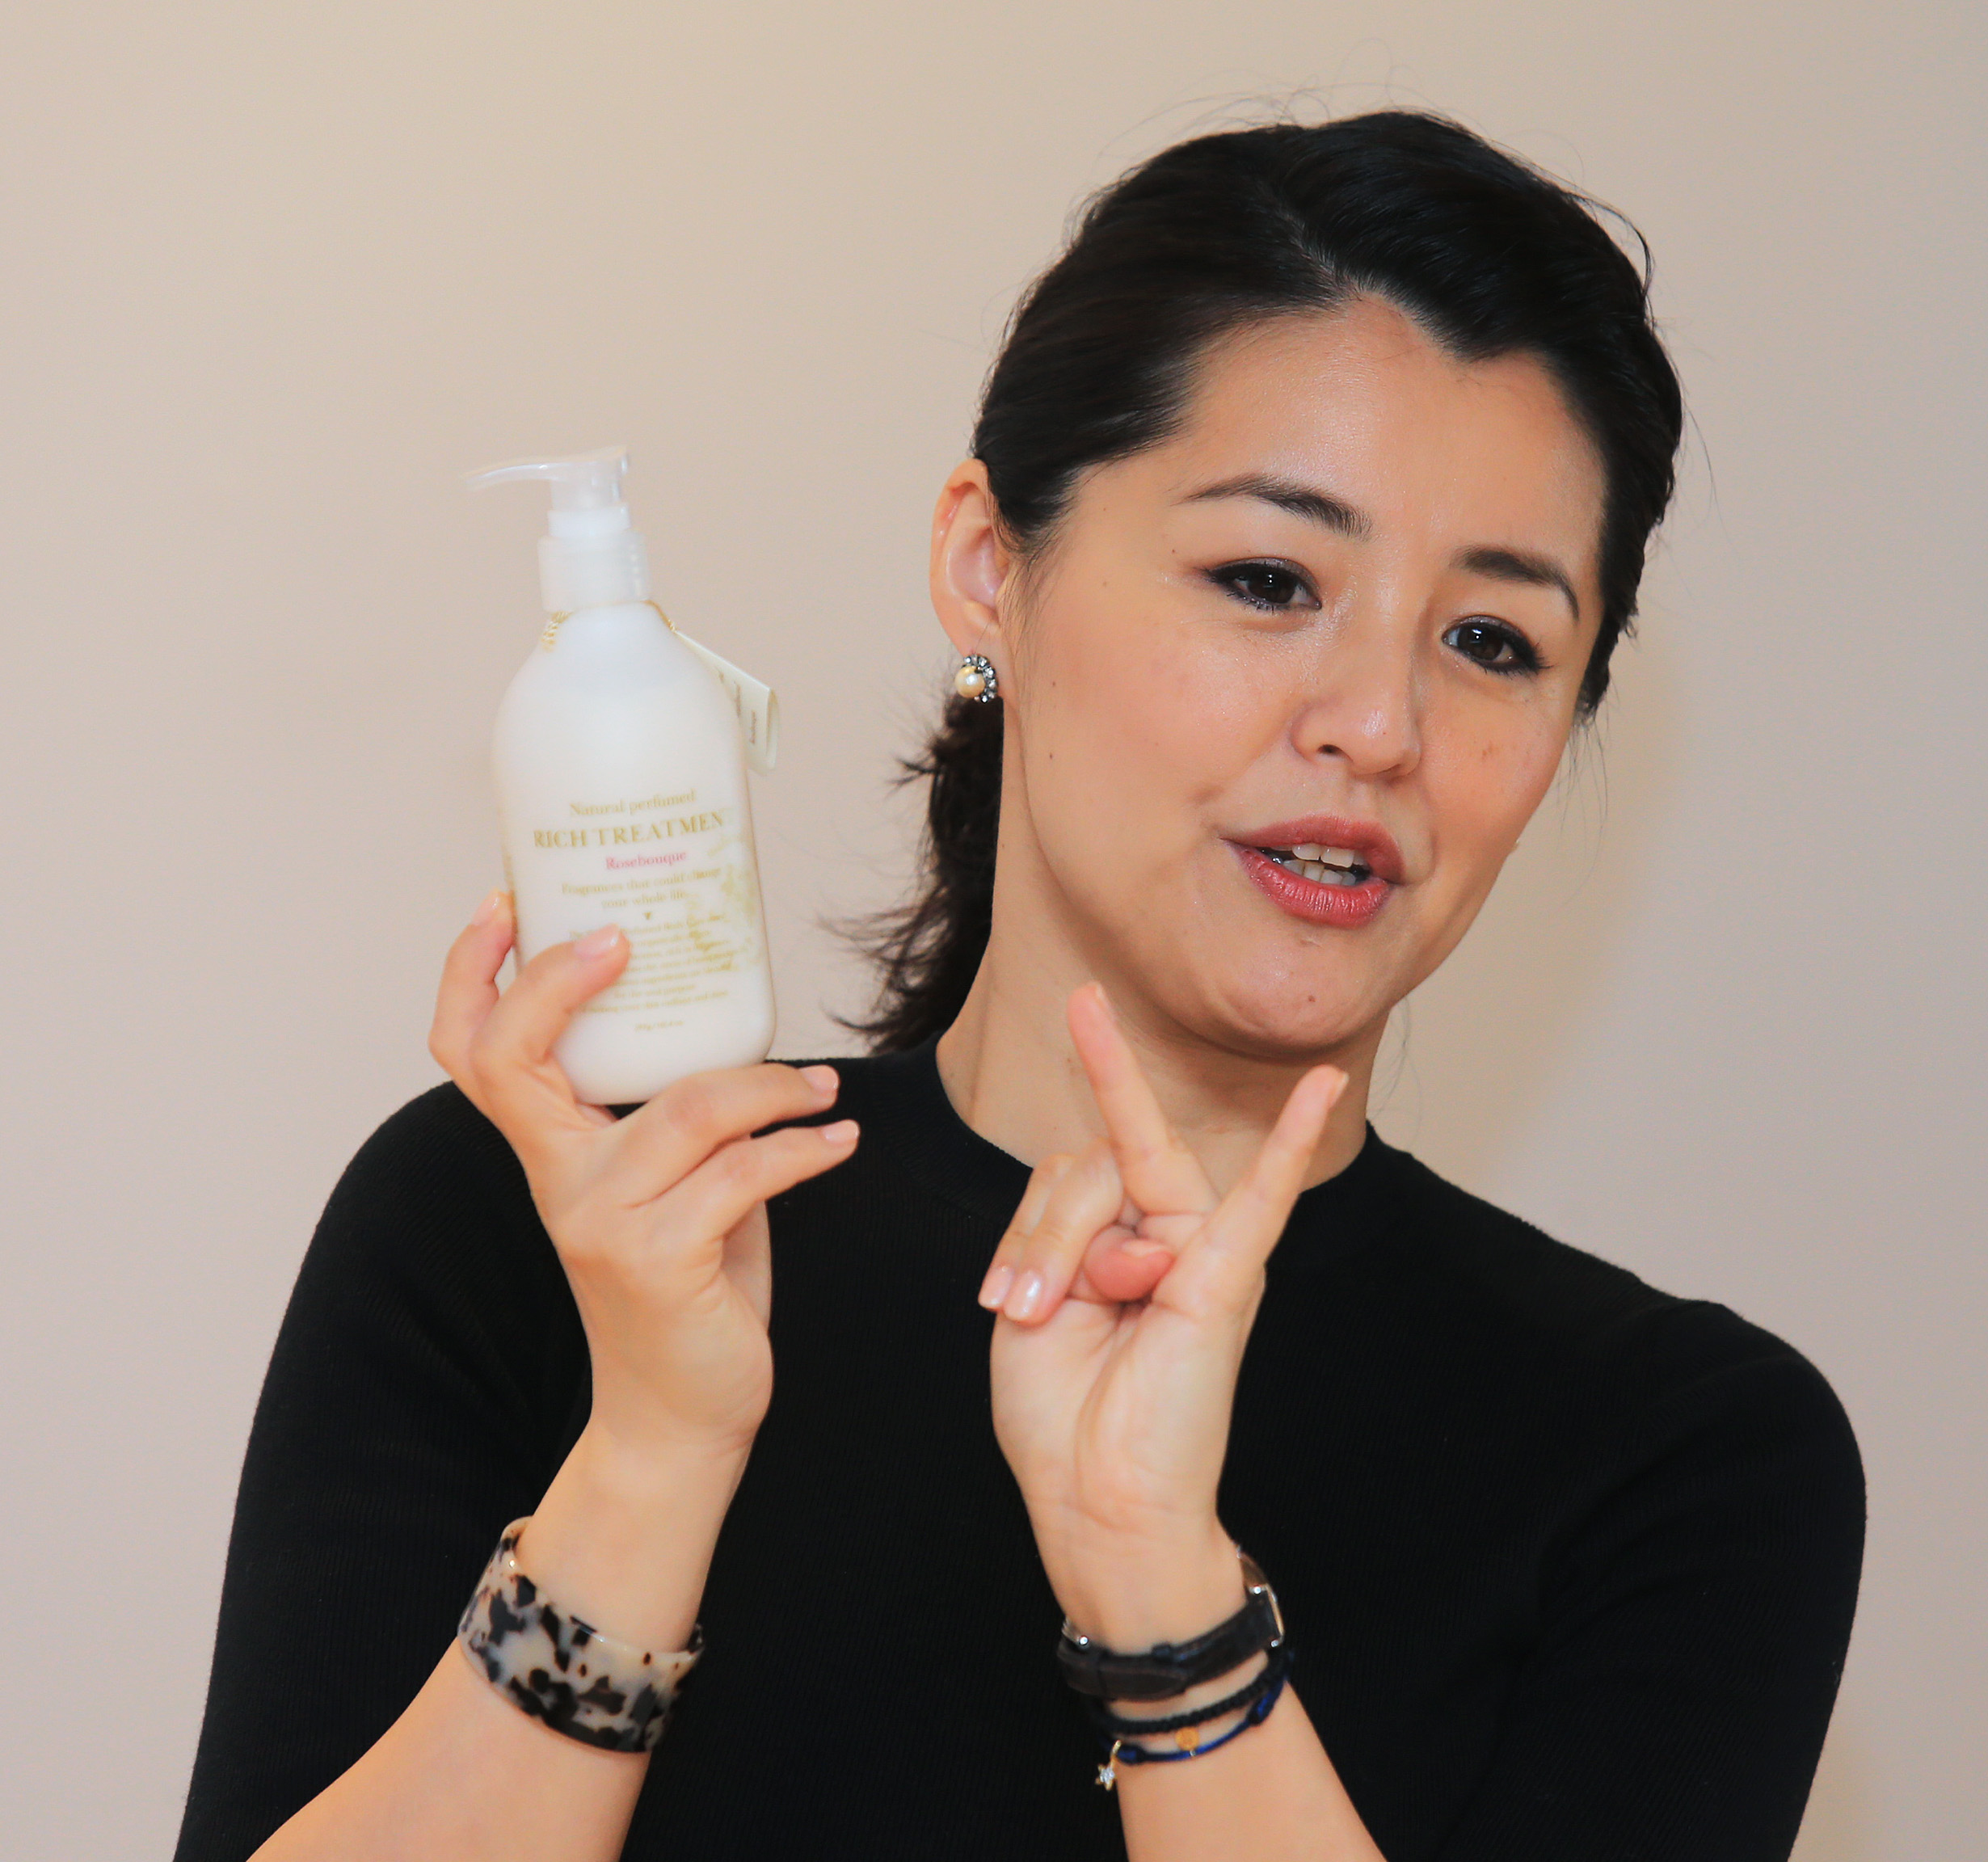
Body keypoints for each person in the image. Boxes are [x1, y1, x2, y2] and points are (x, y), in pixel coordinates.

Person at [175, 109, 1864, 1862]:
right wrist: (653, 1461)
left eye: (1492, 640)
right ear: (991, 567)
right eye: (1269, 579)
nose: (1380, 725)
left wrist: (1164, 1598)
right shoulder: (547, 1227)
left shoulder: (1681, 1460)